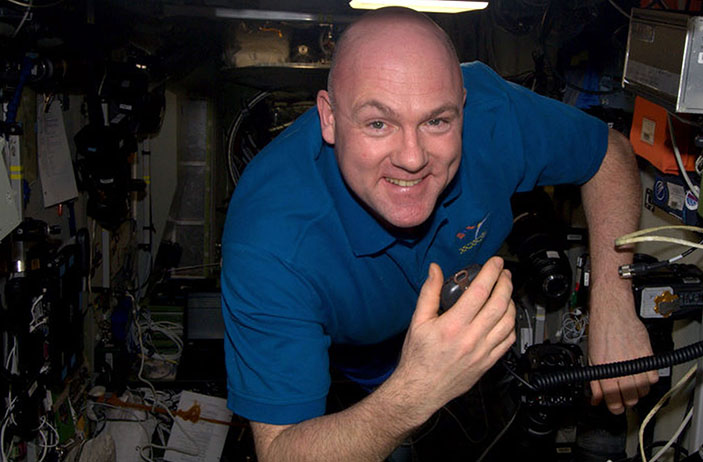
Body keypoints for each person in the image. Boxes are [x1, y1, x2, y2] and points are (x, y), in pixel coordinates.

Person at [221, 7, 657, 461]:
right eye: (378, 123)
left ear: (463, 108)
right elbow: (281, 450)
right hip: (354, 368)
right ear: (328, 118)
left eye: (437, 121)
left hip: (463, 358)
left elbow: (607, 154)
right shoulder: (269, 239)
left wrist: (614, 305)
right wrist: (417, 391)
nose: (412, 158)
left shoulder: (492, 115)